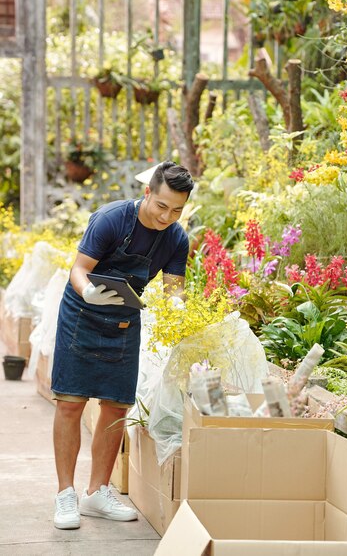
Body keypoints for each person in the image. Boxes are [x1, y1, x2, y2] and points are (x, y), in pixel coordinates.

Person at [51, 161, 194, 530]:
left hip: (125, 321)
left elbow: (174, 291)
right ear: (148, 192)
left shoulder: (177, 238)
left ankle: (97, 492)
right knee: (70, 401)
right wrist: (90, 294)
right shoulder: (112, 219)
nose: (167, 216)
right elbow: (78, 269)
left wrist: (180, 314)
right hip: (83, 313)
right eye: (161, 206)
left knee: (116, 407)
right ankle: (65, 494)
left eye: (176, 210)